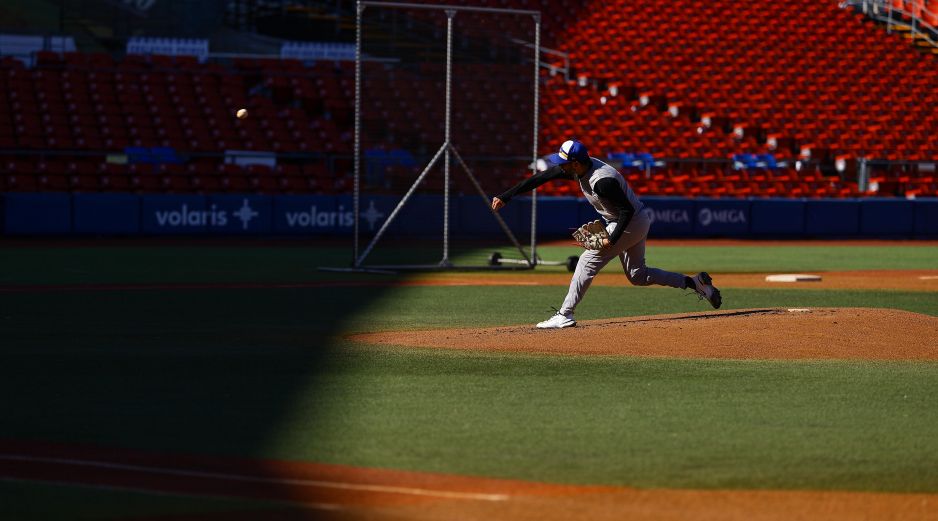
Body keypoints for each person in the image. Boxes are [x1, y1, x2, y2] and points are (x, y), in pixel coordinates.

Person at [491, 139, 721, 329]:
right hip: (631, 220)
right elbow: (541, 178)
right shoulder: (578, 169)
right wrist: (506, 195)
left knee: (587, 261)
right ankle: (694, 283)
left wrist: (612, 239)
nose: (559, 165)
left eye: (563, 162)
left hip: (629, 221)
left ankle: (565, 314)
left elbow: (626, 211)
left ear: (575, 163)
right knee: (638, 276)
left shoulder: (603, 182)